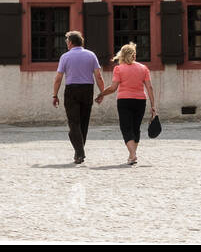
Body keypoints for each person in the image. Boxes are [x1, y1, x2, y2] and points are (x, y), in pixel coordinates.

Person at [96, 43, 156, 165]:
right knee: (135, 128)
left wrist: (102, 94)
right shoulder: (143, 68)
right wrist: (153, 105)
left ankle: (133, 155)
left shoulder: (119, 69)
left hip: (124, 101)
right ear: (134, 55)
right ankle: (131, 155)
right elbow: (149, 87)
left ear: (122, 55)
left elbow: (113, 88)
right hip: (140, 101)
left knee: (126, 127)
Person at [51, 31, 106, 164]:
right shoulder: (91, 55)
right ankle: (79, 152)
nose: (66, 45)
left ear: (70, 42)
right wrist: (102, 93)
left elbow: (58, 78)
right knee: (84, 122)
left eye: (67, 42)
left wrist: (55, 95)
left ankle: (79, 152)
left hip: (72, 90)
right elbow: (98, 76)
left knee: (73, 123)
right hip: (87, 89)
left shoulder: (65, 57)